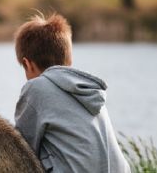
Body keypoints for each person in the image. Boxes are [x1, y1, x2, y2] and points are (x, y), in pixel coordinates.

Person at [13, 13, 131, 173]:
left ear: (28, 64)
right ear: (69, 62)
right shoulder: (87, 89)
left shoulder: (36, 88)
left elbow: (20, 150)